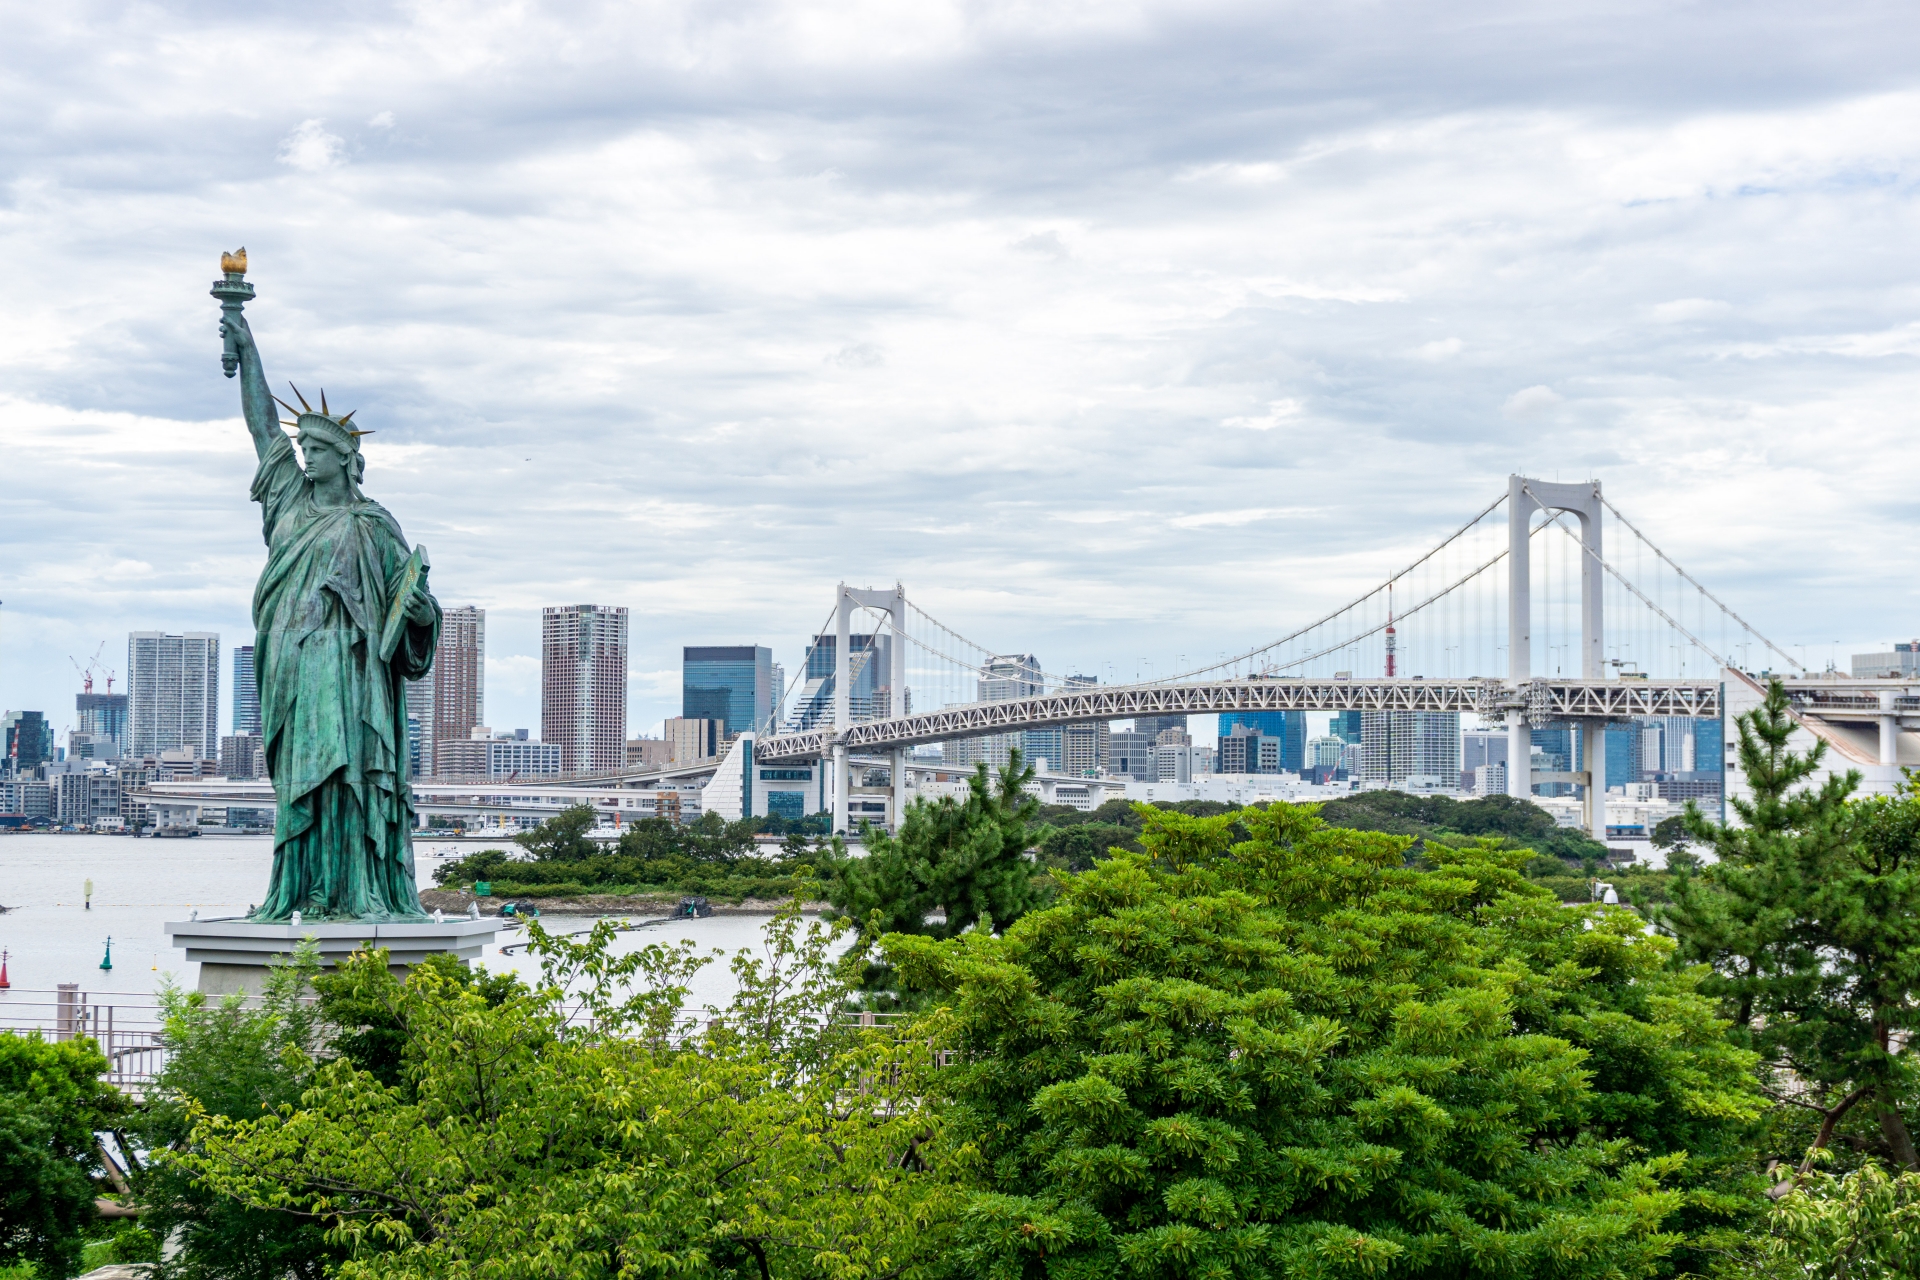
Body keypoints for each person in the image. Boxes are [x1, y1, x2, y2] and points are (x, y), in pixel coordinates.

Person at [219, 309, 439, 921]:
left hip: (352, 673)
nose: (306, 457)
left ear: (345, 459)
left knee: (350, 778)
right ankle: (303, 889)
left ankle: (353, 891)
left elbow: (409, 606)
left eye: (317, 449)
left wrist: (421, 614)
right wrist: (247, 346)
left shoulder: (374, 525)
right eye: (305, 449)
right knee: (302, 781)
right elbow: (263, 426)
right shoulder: (288, 501)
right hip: (292, 668)